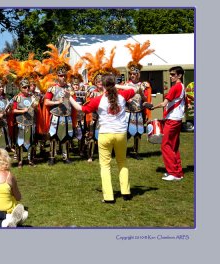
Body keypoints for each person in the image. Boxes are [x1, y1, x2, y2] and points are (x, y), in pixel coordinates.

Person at [69, 74, 137, 203]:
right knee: (122, 162)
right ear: (113, 84)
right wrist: (117, 85)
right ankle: (126, 192)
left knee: (105, 166)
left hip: (105, 134)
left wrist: (69, 98)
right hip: (121, 133)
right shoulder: (123, 95)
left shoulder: (98, 99)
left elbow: (80, 108)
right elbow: (135, 88)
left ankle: (109, 196)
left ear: (103, 86)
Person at [146, 66, 188, 181]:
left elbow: (164, 104)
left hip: (173, 120)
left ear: (179, 75)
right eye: (170, 74)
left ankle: (173, 173)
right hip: (177, 119)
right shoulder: (182, 87)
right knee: (173, 146)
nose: (170, 76)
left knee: (166, 145)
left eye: (173, 74)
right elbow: (186, 104)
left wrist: (152, 107)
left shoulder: (175, 88)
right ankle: (178, 172)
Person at [43, 44, 76, 165]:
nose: (63, 77)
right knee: (53, 137)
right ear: (57, 76)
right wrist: (57, 102)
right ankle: (51, 157)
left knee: (66, 137)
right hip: (55, 116)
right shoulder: (52, 89)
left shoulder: (70, 87)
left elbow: (73, 101)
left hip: (66, 116)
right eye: (60, 75)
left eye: (64, 75)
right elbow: (46, 102)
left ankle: (65, 157)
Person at [124, 41, 155, 160]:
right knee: (125, 133)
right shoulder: (126, 84)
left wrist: (142, 95)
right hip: (128, 112)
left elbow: (146, 99)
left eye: (134, 74)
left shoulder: (144, 85)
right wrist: (128, 98)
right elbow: (122, 98)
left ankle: (136, 152)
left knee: (138, 133)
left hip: (139, 112)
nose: (132, 75)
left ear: (138, 74)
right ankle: (122, 151)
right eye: (131, 73)